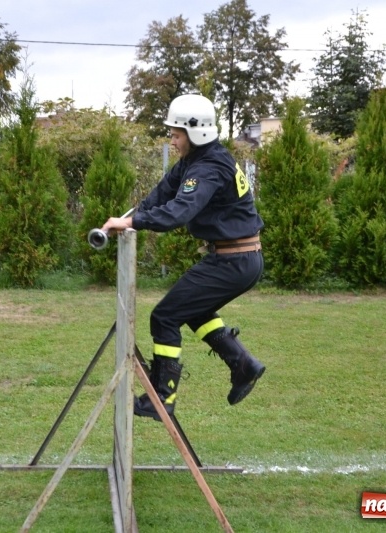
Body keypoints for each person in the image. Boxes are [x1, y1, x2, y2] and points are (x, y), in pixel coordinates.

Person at [101, 94, 266, 421]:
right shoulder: (197, 160)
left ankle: (162, 398)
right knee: (193, 311)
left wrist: (133, 223)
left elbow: (179, 212)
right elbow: (163, 193)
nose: (173, 141)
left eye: (176, 135)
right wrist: (127, 219)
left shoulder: (208, 168)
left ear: (196, 132)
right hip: (235, 258)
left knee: (165, 317)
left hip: (234, 260)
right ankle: (243, 364)